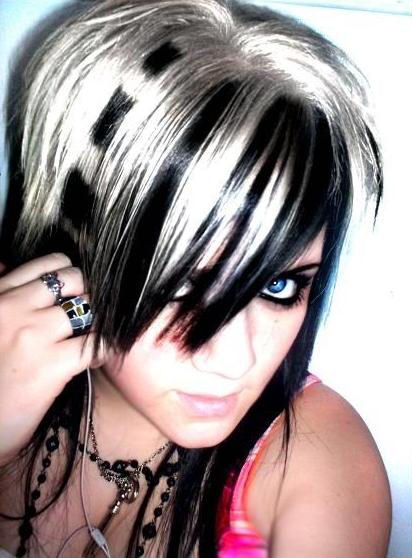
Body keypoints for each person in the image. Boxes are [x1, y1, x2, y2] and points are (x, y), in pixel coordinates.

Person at [0, 0, 391, 556]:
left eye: (278, 287)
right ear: (71, 242)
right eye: (181, 283)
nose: (235, 360)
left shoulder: (312, 462)